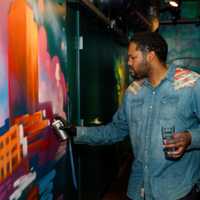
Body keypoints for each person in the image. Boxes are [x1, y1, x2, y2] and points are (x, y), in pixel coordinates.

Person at [53, 32, 200, 200]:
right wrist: (76, 131)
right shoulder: (133, 93)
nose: (128, 62)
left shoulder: (190, 84)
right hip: (138, 190)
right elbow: (115, 130)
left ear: (150, 56)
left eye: (132, 57)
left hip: (178, 191)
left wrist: (190, 137)